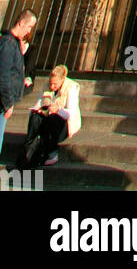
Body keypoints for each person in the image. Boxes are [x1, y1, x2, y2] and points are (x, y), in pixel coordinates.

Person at [17, 64, 81, 168]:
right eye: (51, 83)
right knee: (35, 117)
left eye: (55, 84)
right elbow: (38, 103)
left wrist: (58, 110)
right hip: (47, 119)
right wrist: (38, 110)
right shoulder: (46, 85)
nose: (51, 87)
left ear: (62, 80)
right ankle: (28, 148)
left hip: (64, 123)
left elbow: (71, 113)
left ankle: (52, 152)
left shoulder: (71, 87)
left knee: (53, 119)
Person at [0, 9, 37, 156]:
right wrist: (8, 103)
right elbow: (3, 76)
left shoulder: (12, 43)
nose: (29, 31)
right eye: (29, 27)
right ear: (21, 23)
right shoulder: (8, 44)